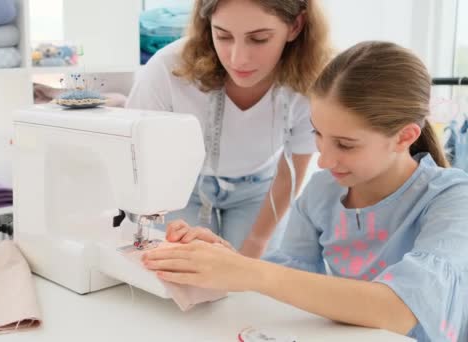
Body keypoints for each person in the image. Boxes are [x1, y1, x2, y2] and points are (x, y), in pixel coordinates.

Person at [142, 41, 468, 341]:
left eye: (345, 144)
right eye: (318, 134)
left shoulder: (453, 199)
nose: (324, 160)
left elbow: (399, 311)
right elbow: (289, 281)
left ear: (404, 136)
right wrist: (224, 260)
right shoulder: (324, 191)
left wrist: (249, 271)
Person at [126, 0, 331, 256]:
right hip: (181, 185)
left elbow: (292, 169)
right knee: (179, 270)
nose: (238, 59)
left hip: (259, 187)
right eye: (222, 36)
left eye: (259, 39)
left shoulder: (314, 80)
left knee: (251, 277)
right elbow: (138, 157)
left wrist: (257, 241)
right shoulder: (167, 69)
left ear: (295, 26)